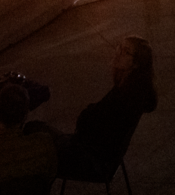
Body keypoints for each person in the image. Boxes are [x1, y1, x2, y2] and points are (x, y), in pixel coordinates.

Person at [58, 36, 158, 178]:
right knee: (37, 132)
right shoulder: (125, 87)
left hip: (96, 160)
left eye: (126, 52)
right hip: (92, 151)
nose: (118, 53)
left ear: (136, 64)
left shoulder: (128, 96)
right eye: (119, 47)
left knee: (38, 145)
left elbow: (93, 124)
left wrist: (87, 115)